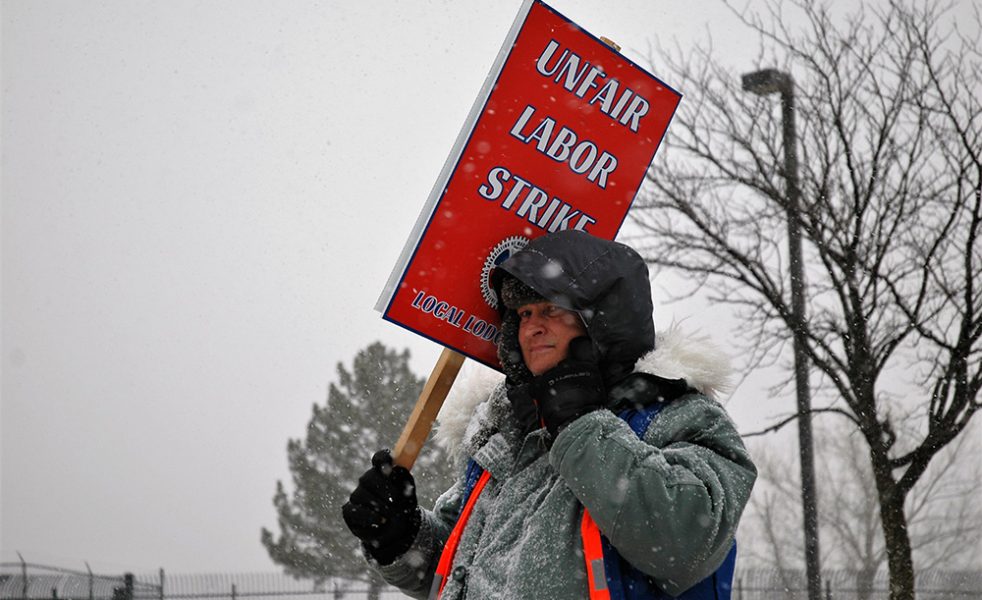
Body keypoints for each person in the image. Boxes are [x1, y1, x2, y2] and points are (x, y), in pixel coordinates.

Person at [342, 230, 757, 599]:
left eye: (551, 310)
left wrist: (580, 426)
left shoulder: (680, 418)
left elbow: (685, 543)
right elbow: (454, 570)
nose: (531, 328)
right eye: (523, 314)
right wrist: (399, 535)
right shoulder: (506, 433)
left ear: (603, 323)